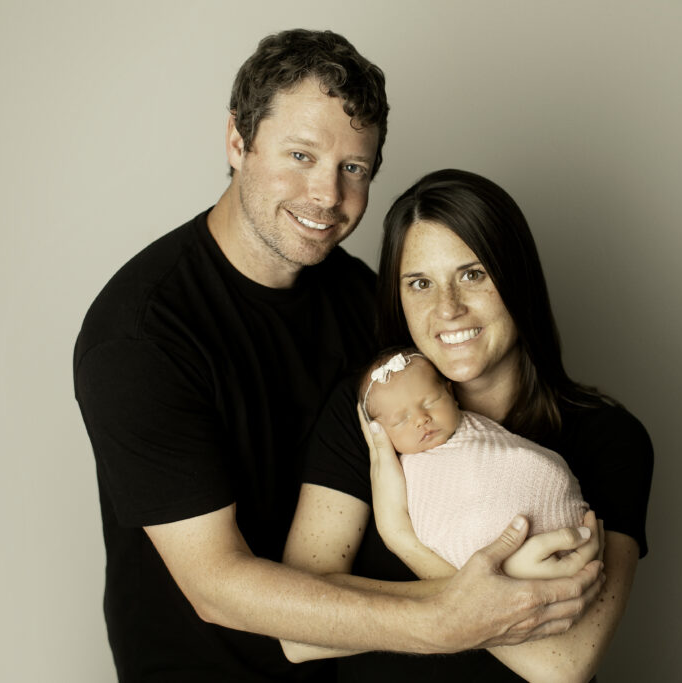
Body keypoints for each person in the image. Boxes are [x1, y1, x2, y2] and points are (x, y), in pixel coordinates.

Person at [74, 30, 604, 682]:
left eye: (353, 167)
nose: (327, 195)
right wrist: (451, 612)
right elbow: (215, 582)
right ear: (238, 142)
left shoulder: (360, 298)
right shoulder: (142, 335)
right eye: (301, 155)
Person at [286, 169, 654, 682]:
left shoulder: (610, 439)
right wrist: (497, 591)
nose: (448, 309)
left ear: (517, 278)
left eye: (473, 274)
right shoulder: (372, 411)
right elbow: (298, 634)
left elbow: (563, 663)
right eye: (420, 284)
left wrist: (406, 543)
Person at [359, 347, 589, 569]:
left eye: (430, 402)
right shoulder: (401, 472)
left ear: (451, 393)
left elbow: (523, 462)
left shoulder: (475, 428)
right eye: (401, 420)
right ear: (380, 432)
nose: (421, 419)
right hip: (492, 560)